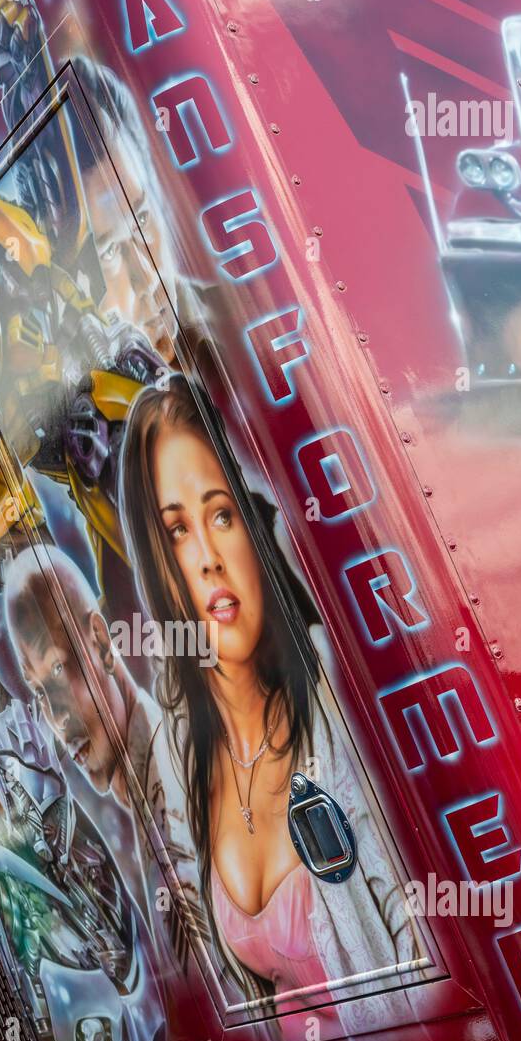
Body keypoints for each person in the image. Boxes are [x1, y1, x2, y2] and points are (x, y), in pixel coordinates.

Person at [118, 375, 419, 1003]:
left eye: (221, 515)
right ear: (156, 562)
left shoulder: (331, 700)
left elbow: (420, 939)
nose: (206, 557)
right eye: (177, 530)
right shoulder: (182, 751)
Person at [3, 543, 217, 975]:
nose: (58, 719)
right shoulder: (146, 790)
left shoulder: (167, 809)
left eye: (59, 669)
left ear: (101, 643)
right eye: (40, 692)